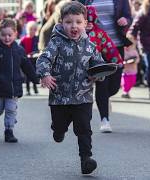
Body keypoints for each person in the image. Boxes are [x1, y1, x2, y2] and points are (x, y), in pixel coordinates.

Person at [36, 1, 104, 174]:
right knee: (60, 126)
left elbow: (99, 65)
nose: (74, 26)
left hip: (83, 96)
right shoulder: (56, 43)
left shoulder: (90, 46)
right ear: (61, 23)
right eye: (69, 22)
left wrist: (99, 74)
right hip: (60, 97)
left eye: (78, 22)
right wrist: (45, 74)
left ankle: (86, 159)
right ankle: (58, 130)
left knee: (84, 129)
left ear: (86, 24)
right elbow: (43, 59)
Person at [80, 0, 132, 133]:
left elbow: (128, 16)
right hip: (93, 46)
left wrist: (125, 20)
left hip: (116, 45)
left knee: (114, 86)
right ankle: (105, 119)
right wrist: (81, 24)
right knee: (102, 83)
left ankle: (104, 99)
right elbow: (74, 12)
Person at [20, 21, 40, 95]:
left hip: (34, 59)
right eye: (31, 29)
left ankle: (35, 88)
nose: (32, 31)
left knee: (34, 74)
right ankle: (28, 90)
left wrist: (35, 53)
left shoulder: (37, 39)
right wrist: (25, 55)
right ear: (27, 29)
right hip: (26, 60)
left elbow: (38, 48)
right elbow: (20, 49)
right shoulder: (23, 39)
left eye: (34, 29)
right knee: (27, 76)